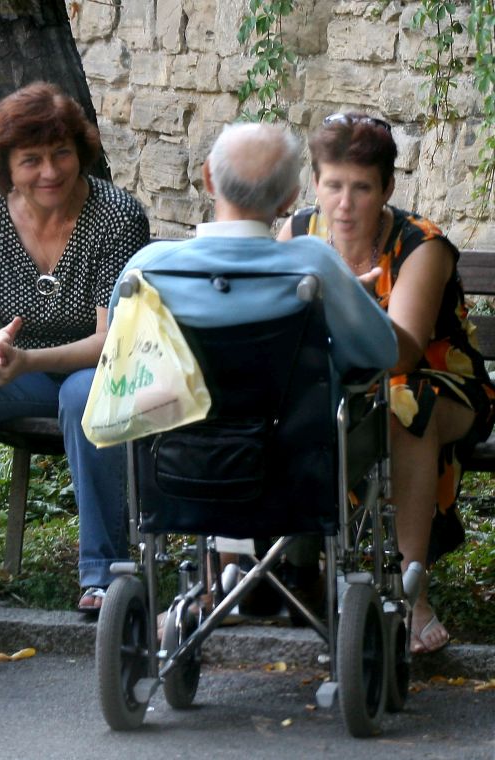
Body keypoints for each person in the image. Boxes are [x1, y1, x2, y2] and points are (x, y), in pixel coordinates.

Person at [112, 122, 399, 626]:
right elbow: (378, 353)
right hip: (292, 467)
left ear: (207, 179)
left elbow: (126, 364)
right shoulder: (310, 267)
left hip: (179, 465)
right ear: (291, 197)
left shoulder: (147, 271)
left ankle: (215, 585)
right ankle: (298, 574)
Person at [0, 82, 150, 614]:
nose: (50, 171)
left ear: (80, 152)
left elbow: (113, 341)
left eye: (62, 153)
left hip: (100, 369)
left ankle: (103, 576)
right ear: (5, 165)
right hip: (21, 370)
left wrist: (28, 361)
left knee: (84, 397)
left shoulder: (116, 216)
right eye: (31, 159)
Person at [278, 113, 495, 654]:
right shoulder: (300, 233)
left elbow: (403, 352)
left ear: (387, 189)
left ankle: (411, 590)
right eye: (333, 185)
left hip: (442, 382)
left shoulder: (421, 245)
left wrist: (344, 300)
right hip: (344, 388)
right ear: (316, 183)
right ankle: (244, 580)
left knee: (405, 402)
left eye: (361, 188)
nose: (345, 203)